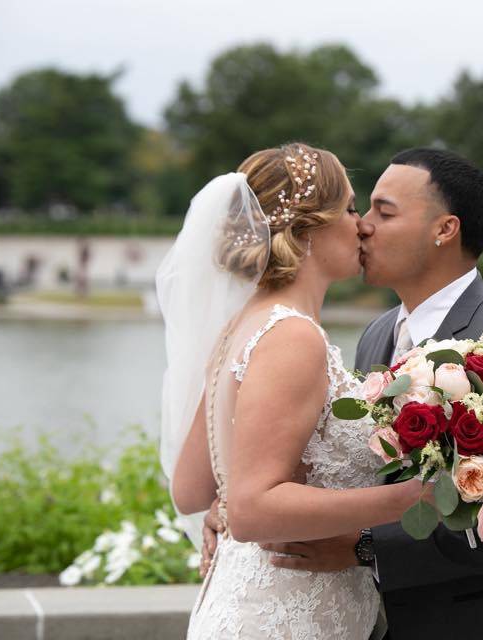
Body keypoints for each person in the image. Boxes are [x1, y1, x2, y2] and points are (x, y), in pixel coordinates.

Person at [200, 148, 483, 639]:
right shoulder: (376, 335)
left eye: (382, 211)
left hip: (462, 624)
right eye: (361, 209)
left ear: (444, 229)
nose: (363, 225)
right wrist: (232, 500)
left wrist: (365, 548)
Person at [159, 143, 430, 640]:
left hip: (247, 608)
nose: (362, 224)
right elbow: (253, 509)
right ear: (308, 226)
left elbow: (192, 489)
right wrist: (415, 499)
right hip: (283, 619)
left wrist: (233, 499)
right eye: (350, 208)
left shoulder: (239, 329)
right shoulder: (292, 336)